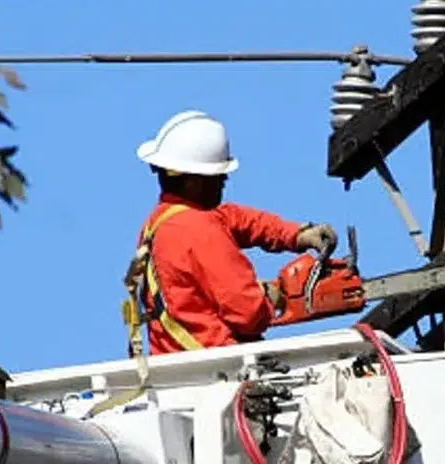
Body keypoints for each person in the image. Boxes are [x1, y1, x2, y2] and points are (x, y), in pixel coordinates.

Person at [125, 110, 338, 355]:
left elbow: (239, 219)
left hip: (176, 364)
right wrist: (272, 297)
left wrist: (296, 234)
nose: (225, 179)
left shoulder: (160, 222)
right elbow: (247, 313)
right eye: (218, 175)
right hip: (215, 367)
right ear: (193, 181)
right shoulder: (198, 230)